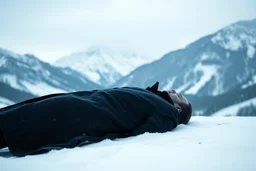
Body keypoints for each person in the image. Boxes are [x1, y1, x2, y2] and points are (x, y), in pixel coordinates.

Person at [0, 81, 192, 156]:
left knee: (33, 120)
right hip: (87, 102)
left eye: (180, 96)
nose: (176, 91)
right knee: (31, 111)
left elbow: (144, 130)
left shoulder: (169, 113)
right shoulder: (157, 98)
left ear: (177, 108)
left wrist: (115, 128)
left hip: (90, 113)